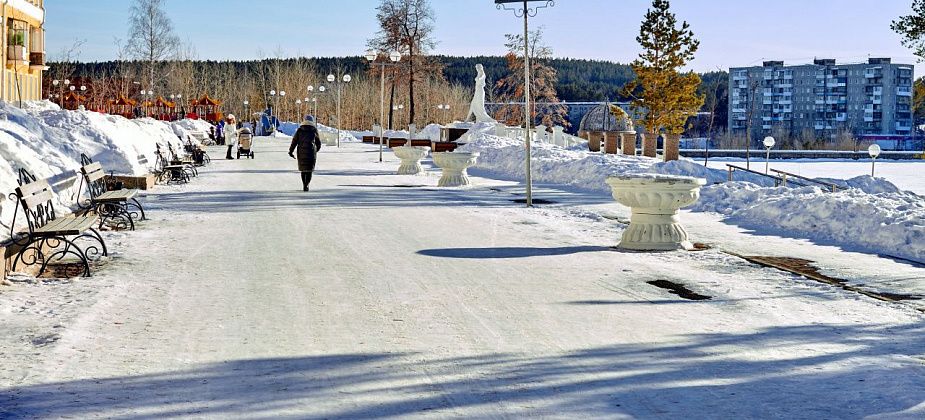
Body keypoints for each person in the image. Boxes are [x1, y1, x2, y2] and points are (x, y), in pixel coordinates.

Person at [289, 115, 322, 191]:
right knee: (309, 170)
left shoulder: (300, 130)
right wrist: (315, 150)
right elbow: (318, 143)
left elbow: (294, 141)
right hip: (311, 152)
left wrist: (291, 151)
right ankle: (307, 184)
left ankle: (304, 184)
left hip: (301, 152)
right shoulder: (314, 130)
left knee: (303, 170)